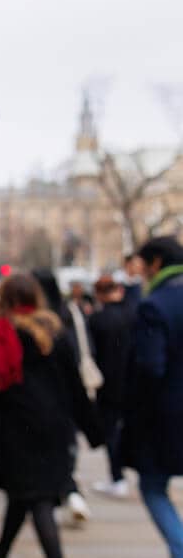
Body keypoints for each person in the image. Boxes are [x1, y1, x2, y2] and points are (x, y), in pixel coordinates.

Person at [0, 273, 103, 558]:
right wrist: (92, 430)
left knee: (37, 498)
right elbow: (74, 387)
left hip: (14, 430)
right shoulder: (54, 330)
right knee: (25, 493)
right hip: (54, 426)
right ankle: (1, 549)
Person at [123, 236, 183, 558]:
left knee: (153, 486)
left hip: (166, 416)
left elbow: (150, 367)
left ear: (156, 263)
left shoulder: (154, 305)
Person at [31, 267, 93, 525]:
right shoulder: (69, 313)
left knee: (41, 452)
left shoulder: (34, 319)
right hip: (66, 393)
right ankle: (70, 492)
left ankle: (58, 496)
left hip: (39, 396)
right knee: (66, 446)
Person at [87, 275, 135, 498]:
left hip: (107, 384)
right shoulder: (134, 314)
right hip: (133, 382)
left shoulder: (98, 319)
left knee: (111, 431)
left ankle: (117, 476)